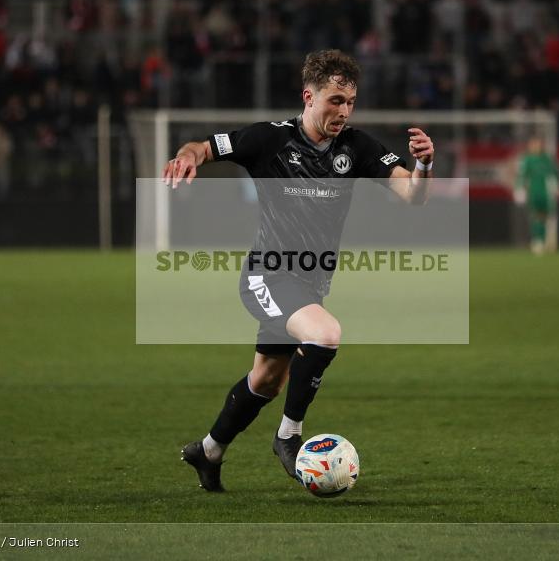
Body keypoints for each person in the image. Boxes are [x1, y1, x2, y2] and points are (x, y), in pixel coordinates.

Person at [161, 50, 435, 492]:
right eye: (334, 101)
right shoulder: (269, 139)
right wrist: (187, 156)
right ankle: (288, 436)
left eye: (350, 102)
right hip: (266, 276)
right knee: (325, 334)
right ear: (309, 97)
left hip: (309, 282)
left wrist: (423, 164)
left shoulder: (357, 148)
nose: (343, 111)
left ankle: (208, 451)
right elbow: (204, 147)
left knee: (267, 379)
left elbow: (413, 195)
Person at [514, 135, 559, 255]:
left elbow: (554, 174)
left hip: (547, 192)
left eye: (538, 144)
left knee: (546, 217)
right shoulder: (527, 160)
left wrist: (557, 187)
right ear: (530, 146)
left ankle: (547, 241)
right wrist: (519, 189)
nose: (536, 146)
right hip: (534, 191)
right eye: (534, 144)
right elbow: (522, 175)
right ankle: (537, 241)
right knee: (536, 216)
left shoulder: (547, 159)